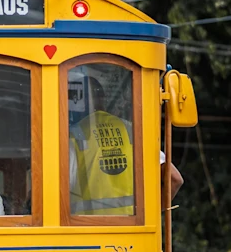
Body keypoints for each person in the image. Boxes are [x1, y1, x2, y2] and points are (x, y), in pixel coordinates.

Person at [69, 75, 183, 216]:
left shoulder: (75, 135)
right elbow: (174, 179)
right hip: (131, 233)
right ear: (103, 99)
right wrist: (150, 216)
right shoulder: (132, 132)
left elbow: (57, 190)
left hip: (86, 233)